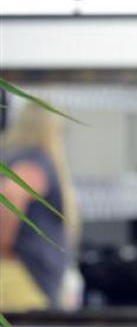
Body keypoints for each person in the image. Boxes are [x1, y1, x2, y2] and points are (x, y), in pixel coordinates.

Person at [0, 102, 81, 311]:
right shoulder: (35, 158)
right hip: (25, 279)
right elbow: (11, 194)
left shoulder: (11, 156)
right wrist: (5, 249)